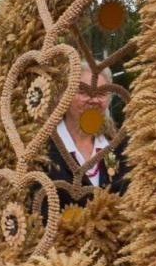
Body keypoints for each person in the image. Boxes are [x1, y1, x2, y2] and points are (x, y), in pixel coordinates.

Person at [46, 64, 129, 204]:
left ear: (109, 99)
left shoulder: (119, 146)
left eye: (101, 93)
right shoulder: (44, 149)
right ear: (64, 96)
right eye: (83, 92)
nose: (93, 100)